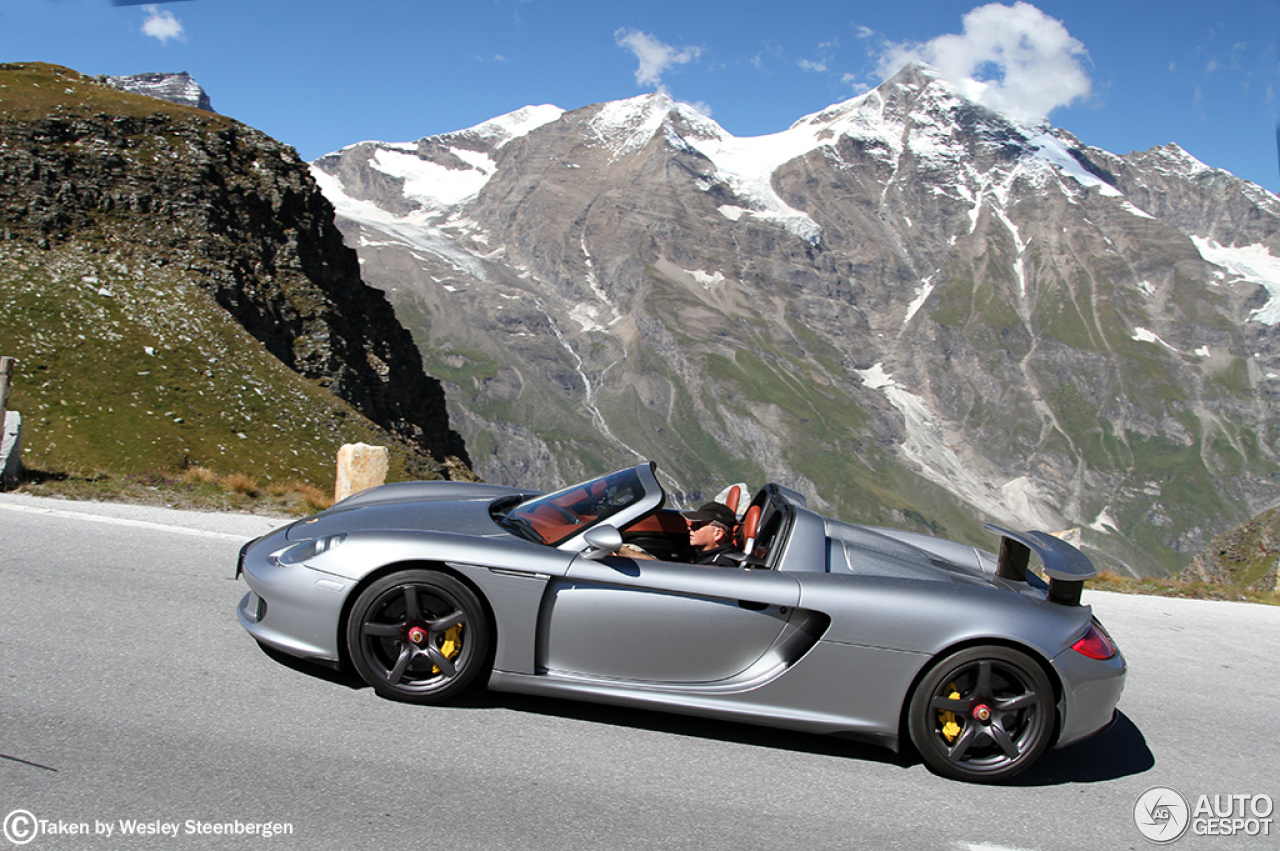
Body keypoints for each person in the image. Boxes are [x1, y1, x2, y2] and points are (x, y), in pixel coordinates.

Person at [683, 501, 740, 567]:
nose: (690, 528)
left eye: (697, 525)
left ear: (717, 534)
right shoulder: (702, 556)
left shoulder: (717, 566)